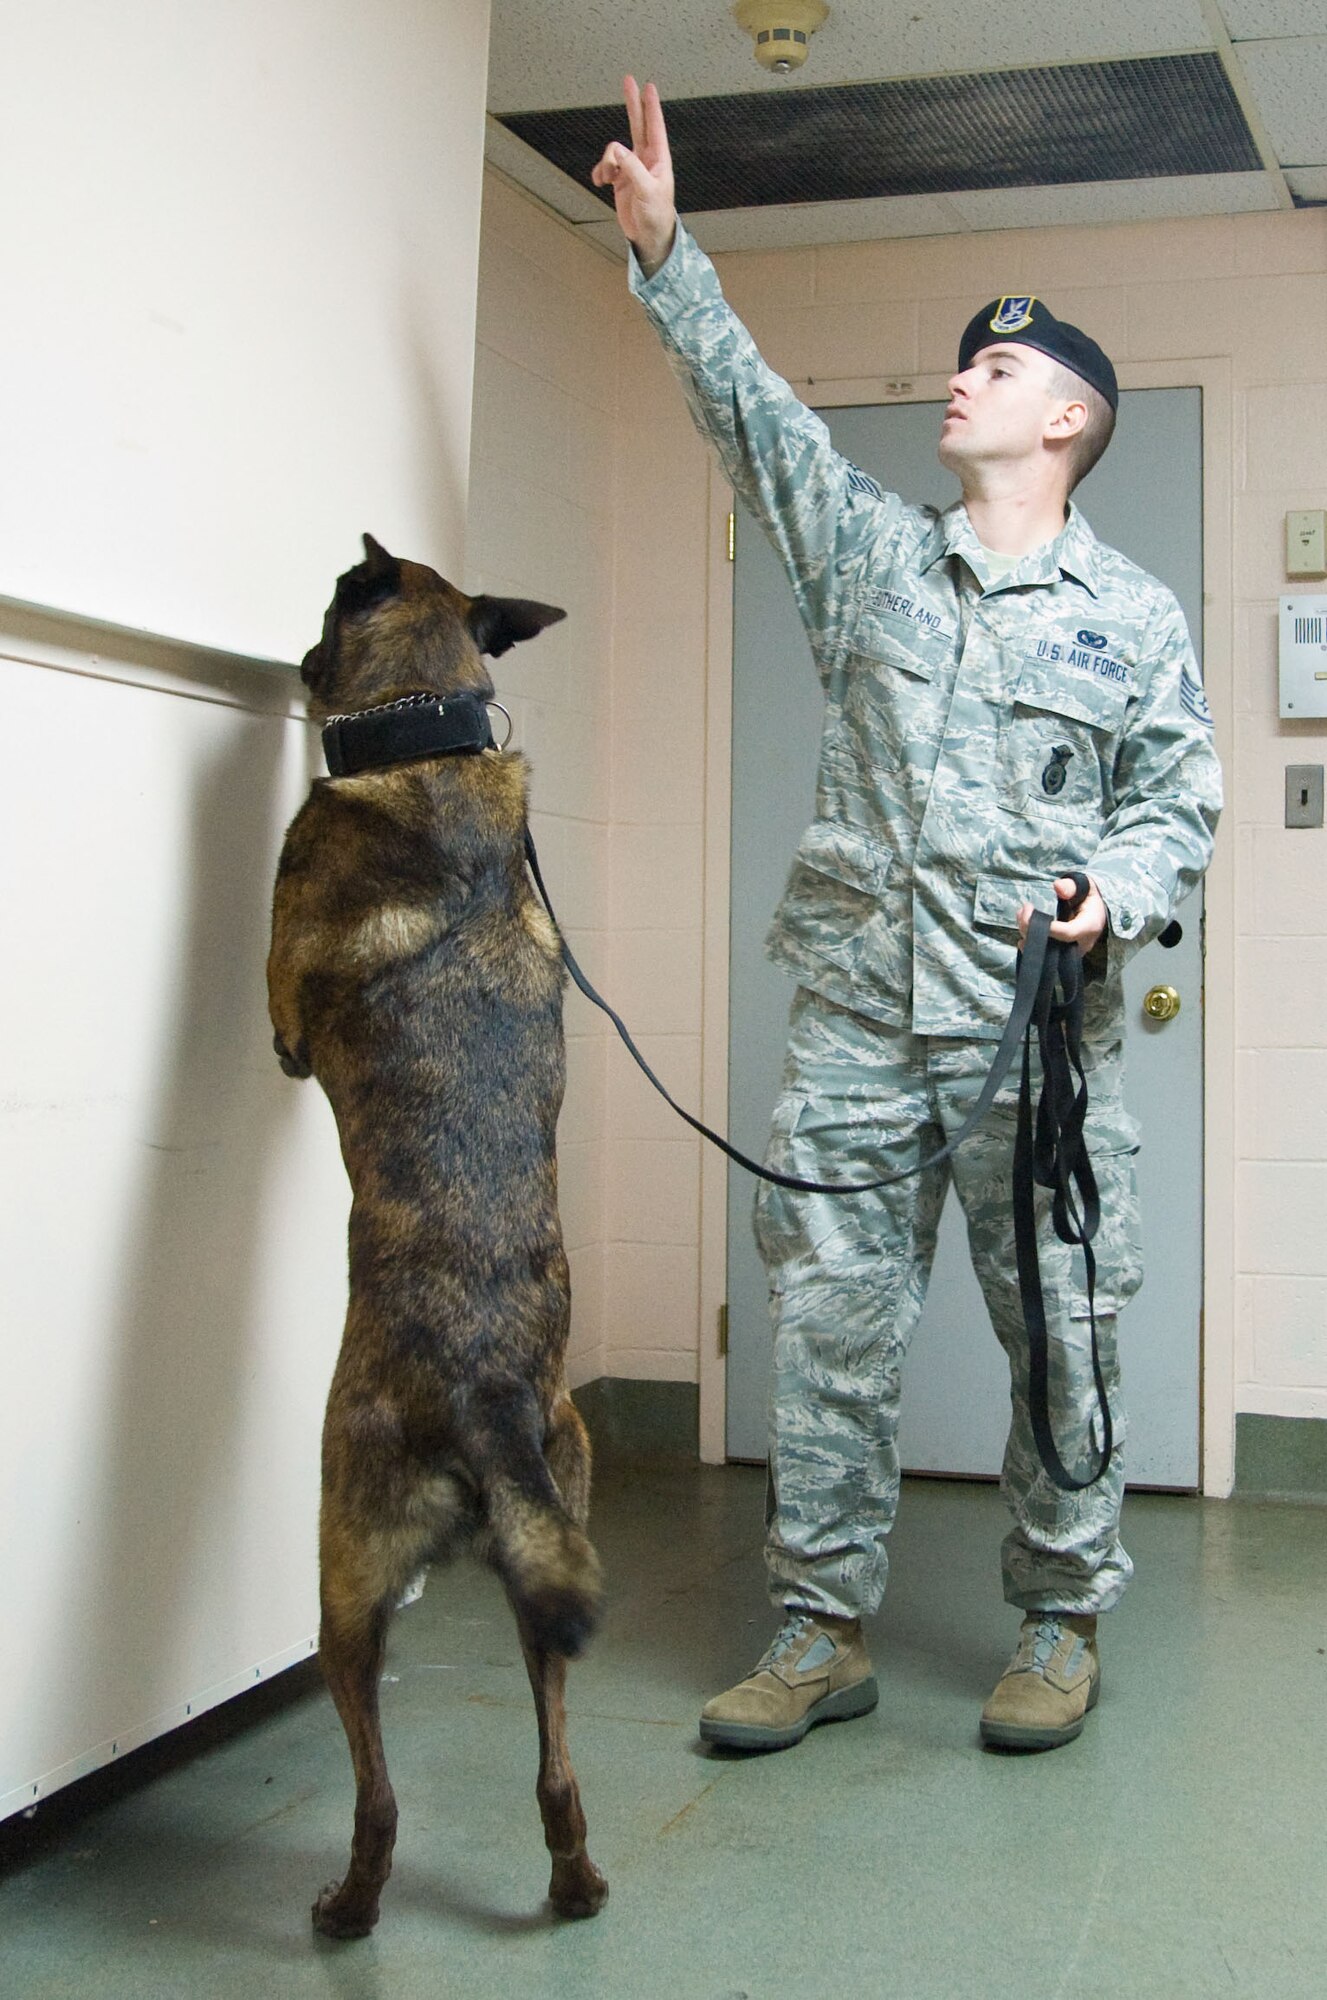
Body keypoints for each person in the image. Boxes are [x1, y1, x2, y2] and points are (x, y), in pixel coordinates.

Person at [593, 79, 1221, 1754]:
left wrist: (1125, 890)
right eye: (966, 359)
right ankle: (817, 1631)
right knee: (827, 1340)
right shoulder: (871, 559)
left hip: (1036, 1051)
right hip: (862, 1031)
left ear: (1070, 418)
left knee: (1061, 1352)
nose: (964, 376)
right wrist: (672, 258)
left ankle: (1060, 1622)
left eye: (999, 367)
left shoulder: (1136, 619)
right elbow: (763, 428)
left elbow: (1182, 800)